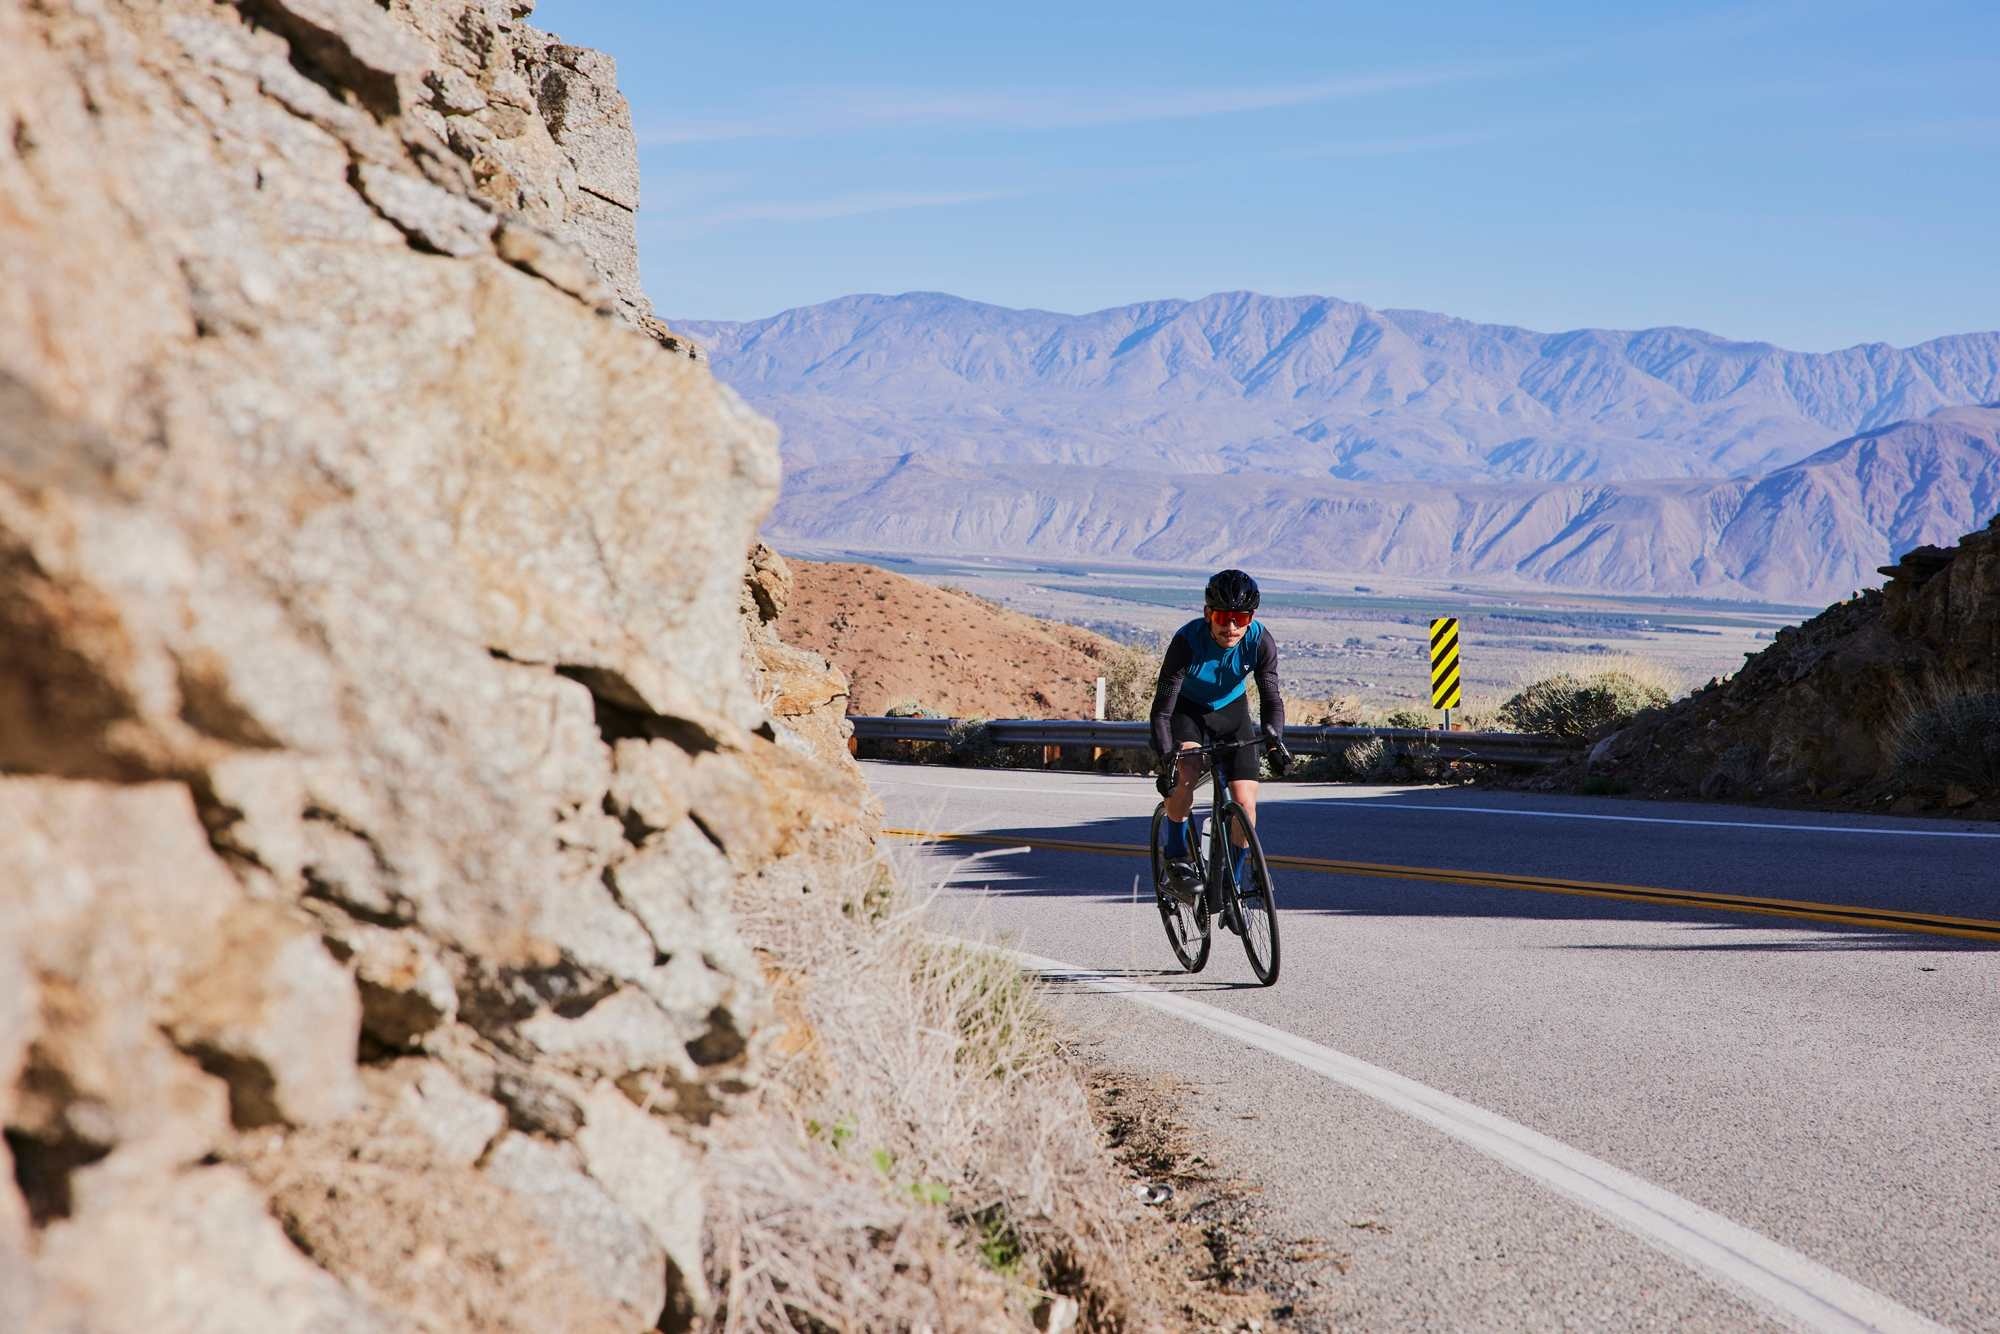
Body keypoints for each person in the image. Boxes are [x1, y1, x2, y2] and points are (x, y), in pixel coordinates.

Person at [1149, 569, 1288, 924]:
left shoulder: (1259, 641)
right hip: (1187, 712)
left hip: (1232, 712)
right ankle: (1177, 855)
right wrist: (1167, 757)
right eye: (1224, 618)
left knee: (1245, 803)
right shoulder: (1187, 642)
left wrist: (1274, 739)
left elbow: (1271, 698)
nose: (1231, 627)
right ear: (1209, 613)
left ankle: (1232, 886)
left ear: (1250, 619)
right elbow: (1163, 710)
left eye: (1240, 618)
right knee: (1188, 768)